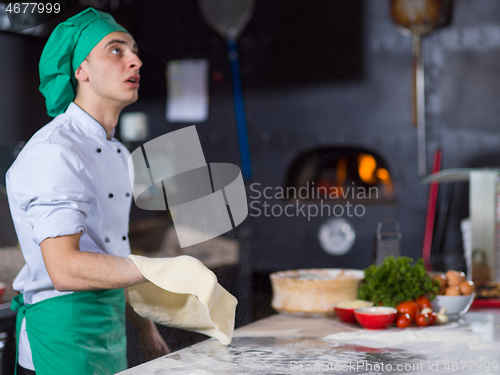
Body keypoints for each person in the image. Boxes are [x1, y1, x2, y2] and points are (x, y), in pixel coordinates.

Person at [6, 8, 169, 375]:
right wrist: (163, 270)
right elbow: (64, 268)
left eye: (134, 50)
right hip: (61, 332)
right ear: (81, 70)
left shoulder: (118, 153)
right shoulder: (54, 150)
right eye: (116, 50)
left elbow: (111, 252)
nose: (136, 60)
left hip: (109, 328)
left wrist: (144, 327)